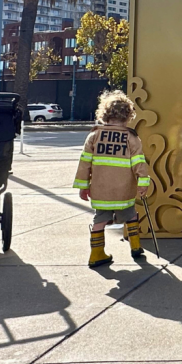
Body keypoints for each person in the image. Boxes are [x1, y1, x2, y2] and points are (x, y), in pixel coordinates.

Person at [74, 90, 150, 268]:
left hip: (101, 190)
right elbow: (139, 161)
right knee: (130, 215)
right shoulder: (131, 137)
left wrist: (83, 187)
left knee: (99, 220)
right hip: (124, 189)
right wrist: (143, 182)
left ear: (104, 114)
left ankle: (96, 254)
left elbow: (85, 163)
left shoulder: (94, 136)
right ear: (128, 115)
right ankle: (135, 245)